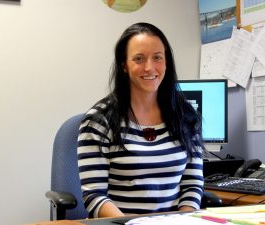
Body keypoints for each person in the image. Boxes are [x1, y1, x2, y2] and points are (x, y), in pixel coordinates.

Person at [77, 22, 204, 218]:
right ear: (124, 66)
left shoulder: (185, 116)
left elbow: (192, 185)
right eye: (139, 59)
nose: (149, 67)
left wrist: (182, 222)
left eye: (157, 58)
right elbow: (95, 196)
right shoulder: (99, 121)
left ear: (166, 63)